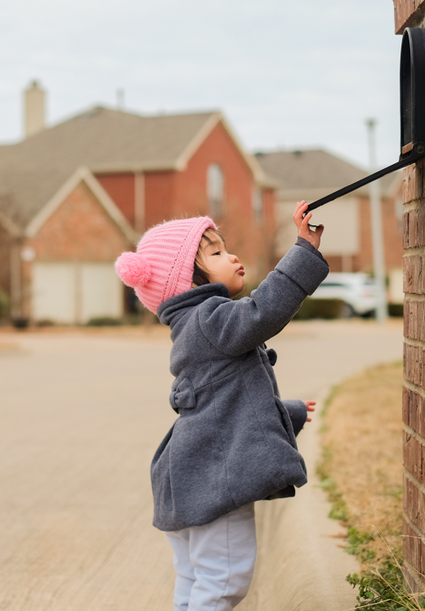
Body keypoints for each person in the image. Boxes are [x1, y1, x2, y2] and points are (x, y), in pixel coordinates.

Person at [114, 201, 329, 611]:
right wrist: (303, 251)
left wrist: (290, 411)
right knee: (224, 581)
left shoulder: (193, 326)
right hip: (214, 483)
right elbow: (263, 312)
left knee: (196, 580)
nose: (231, 256)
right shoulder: (208, 318)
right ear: (187, 282)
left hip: (187, 476)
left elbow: (227, 401)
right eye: (214, 253)